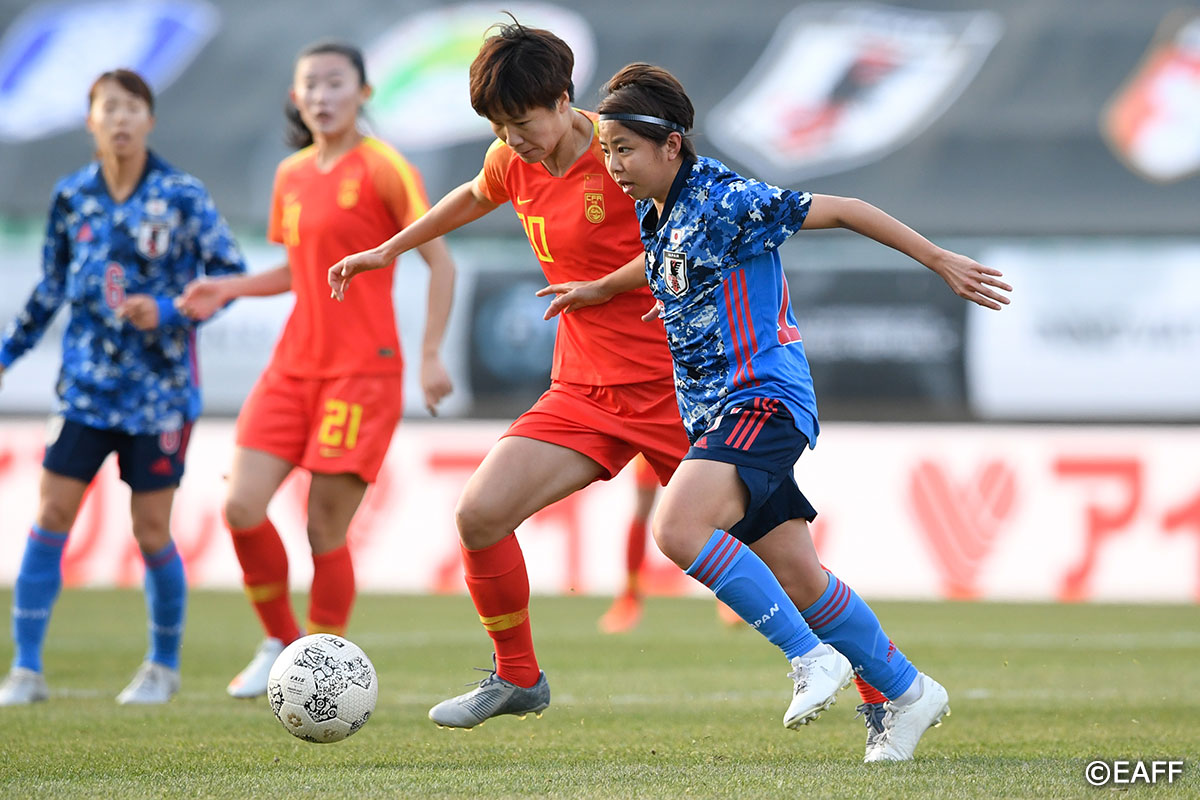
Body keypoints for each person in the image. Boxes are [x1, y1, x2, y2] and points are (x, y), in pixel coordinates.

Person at [329, 20, 889, 735]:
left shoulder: (628, 153)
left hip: (683, 394)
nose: (510, 139)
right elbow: (473, 194)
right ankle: (517, 676)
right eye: (498, 126)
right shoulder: (511, 158)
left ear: (564, 101)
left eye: (521, 122)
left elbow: (690, 231)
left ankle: (885, 696)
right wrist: (390, 248)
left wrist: (613, 284)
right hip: (583, 390)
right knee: (479, 514)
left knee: (793, 567)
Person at [557, 62, 1013, 761]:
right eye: (608, 150)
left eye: (625, 149)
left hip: (762, 399)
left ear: (672, 145)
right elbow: (667, 263)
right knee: (801, 578)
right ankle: (907, 692)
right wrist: (604, 289)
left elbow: (846, 208)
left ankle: (809, 657)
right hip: (716, 413)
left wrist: (937, 259)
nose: (613, 165)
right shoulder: (658, 208)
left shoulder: (727, 199)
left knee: (677, 528)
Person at [176, 41, 456, 699]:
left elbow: (439, 261)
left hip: (362, 372)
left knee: (323, 525)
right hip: (292, 367)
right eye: (311, 85)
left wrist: (430, 354)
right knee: (241, 506)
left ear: (364, 93)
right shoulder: (292, 174)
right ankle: (280, 641)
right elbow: (299, 270)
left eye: (336, 83)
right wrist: (230, 288)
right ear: (295, 98)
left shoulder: (385, 167)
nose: (323, 96)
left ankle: (321, 663)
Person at [0, 69, 248, 706]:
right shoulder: (72, 195)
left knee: (151, 530)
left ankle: (162, 668)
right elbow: (51, 286)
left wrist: (169, 309)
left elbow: (230, 275)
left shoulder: (181, 195)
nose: (120, 118)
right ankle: (25, 670)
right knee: (51, 516)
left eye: (132, 107)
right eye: (108, 107)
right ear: (91, 120)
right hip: (84, 390)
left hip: (160, 396)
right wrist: (8, 351)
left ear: (150, 120)